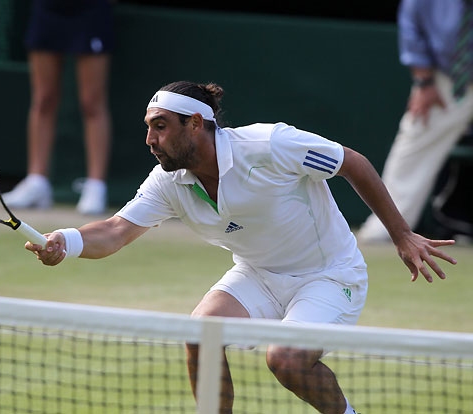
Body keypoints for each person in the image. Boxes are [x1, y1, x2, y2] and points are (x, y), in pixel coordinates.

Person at [25, 81, 457, 414]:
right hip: (258, 274)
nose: (150, 139)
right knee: (202, 333)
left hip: (329, 275)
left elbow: (352, 163)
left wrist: (402, 234)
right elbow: (116, 230)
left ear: (196, 124)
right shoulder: (168, 182)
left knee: (286, 360)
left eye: (160, 126)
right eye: (148, 128)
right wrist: (67, 241)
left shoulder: (270, 146)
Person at [357, 0, 473, 243]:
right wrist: (424, 81)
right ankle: (387, 227)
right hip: (449, 79)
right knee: (415, 146)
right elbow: (412, 25)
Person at [3, 0, 114, 215]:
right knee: (43, 99)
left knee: (92, 102)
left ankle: (96, 186)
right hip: (48, 8)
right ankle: (37, 182)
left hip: (91, 10)